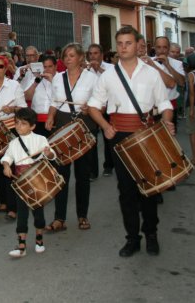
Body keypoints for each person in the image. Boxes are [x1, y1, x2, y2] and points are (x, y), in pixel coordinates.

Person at [88, 26, 174, 258]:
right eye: (120, 43)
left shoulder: (151, 73)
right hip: (119, 137)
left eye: (128, 43)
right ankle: (132, 238)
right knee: (126, 190)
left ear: (138, 45)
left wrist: (166, 121)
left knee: (149, 188)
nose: (124, 47)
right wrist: (105, 126)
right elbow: (94, 106)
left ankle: (152, 234)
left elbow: (164, 104)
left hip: (146, 134)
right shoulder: (107, 76)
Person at [45, 43, 98, 232]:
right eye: (65, 55)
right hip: (62, 124)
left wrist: (89, 108)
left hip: (84, 124)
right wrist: (50, 116)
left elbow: (100, 102)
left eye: (72, 55)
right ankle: (60, 218)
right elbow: (54, 100)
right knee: (61, 174)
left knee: (83, 174)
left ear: (81, 57)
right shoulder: (58, 78)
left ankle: (82, 215)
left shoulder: (92, 78)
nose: (68, 59)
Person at [2, 108, 57, 257]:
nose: (18, 126)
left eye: (23, 124)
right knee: (22, 213)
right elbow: (7, 157)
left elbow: (52, 156)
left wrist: (48, 153)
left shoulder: (40, 139)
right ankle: (21, 246)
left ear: (32, 126)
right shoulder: (13, 142)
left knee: (38, 213)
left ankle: (39, 239)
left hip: (37, 180)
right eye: (17, 123)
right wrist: (6, 166)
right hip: (21, 182)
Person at [0, 54, 26, 220]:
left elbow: (23, 108)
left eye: (0, 66)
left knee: (9, 167)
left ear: (6, 68)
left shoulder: (14, 85)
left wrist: (13, 109)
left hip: (9, 129)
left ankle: (13, 207)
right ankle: (3, 200)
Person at [86, 43, 114, 178]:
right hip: (92, 107)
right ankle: (92, 170)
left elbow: (115, 83)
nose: (93, 56)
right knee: (92, 139)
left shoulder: (110, 68)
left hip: (107, 106)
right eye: (90, 54)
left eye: (96, 53)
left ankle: (108, 165)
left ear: (102, 55)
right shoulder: (86, 69)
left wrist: (100, 70)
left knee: (108, 137)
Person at [24, 55, 56, 137]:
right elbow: (27, 97)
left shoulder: (60, 78)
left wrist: (52, 81)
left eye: (50, 66)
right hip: (37, 121)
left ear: (56, 66)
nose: (47, 69)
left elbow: (63, 96)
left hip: (55, 119)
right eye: (45, 67)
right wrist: (36, 82)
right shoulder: (35, 79)